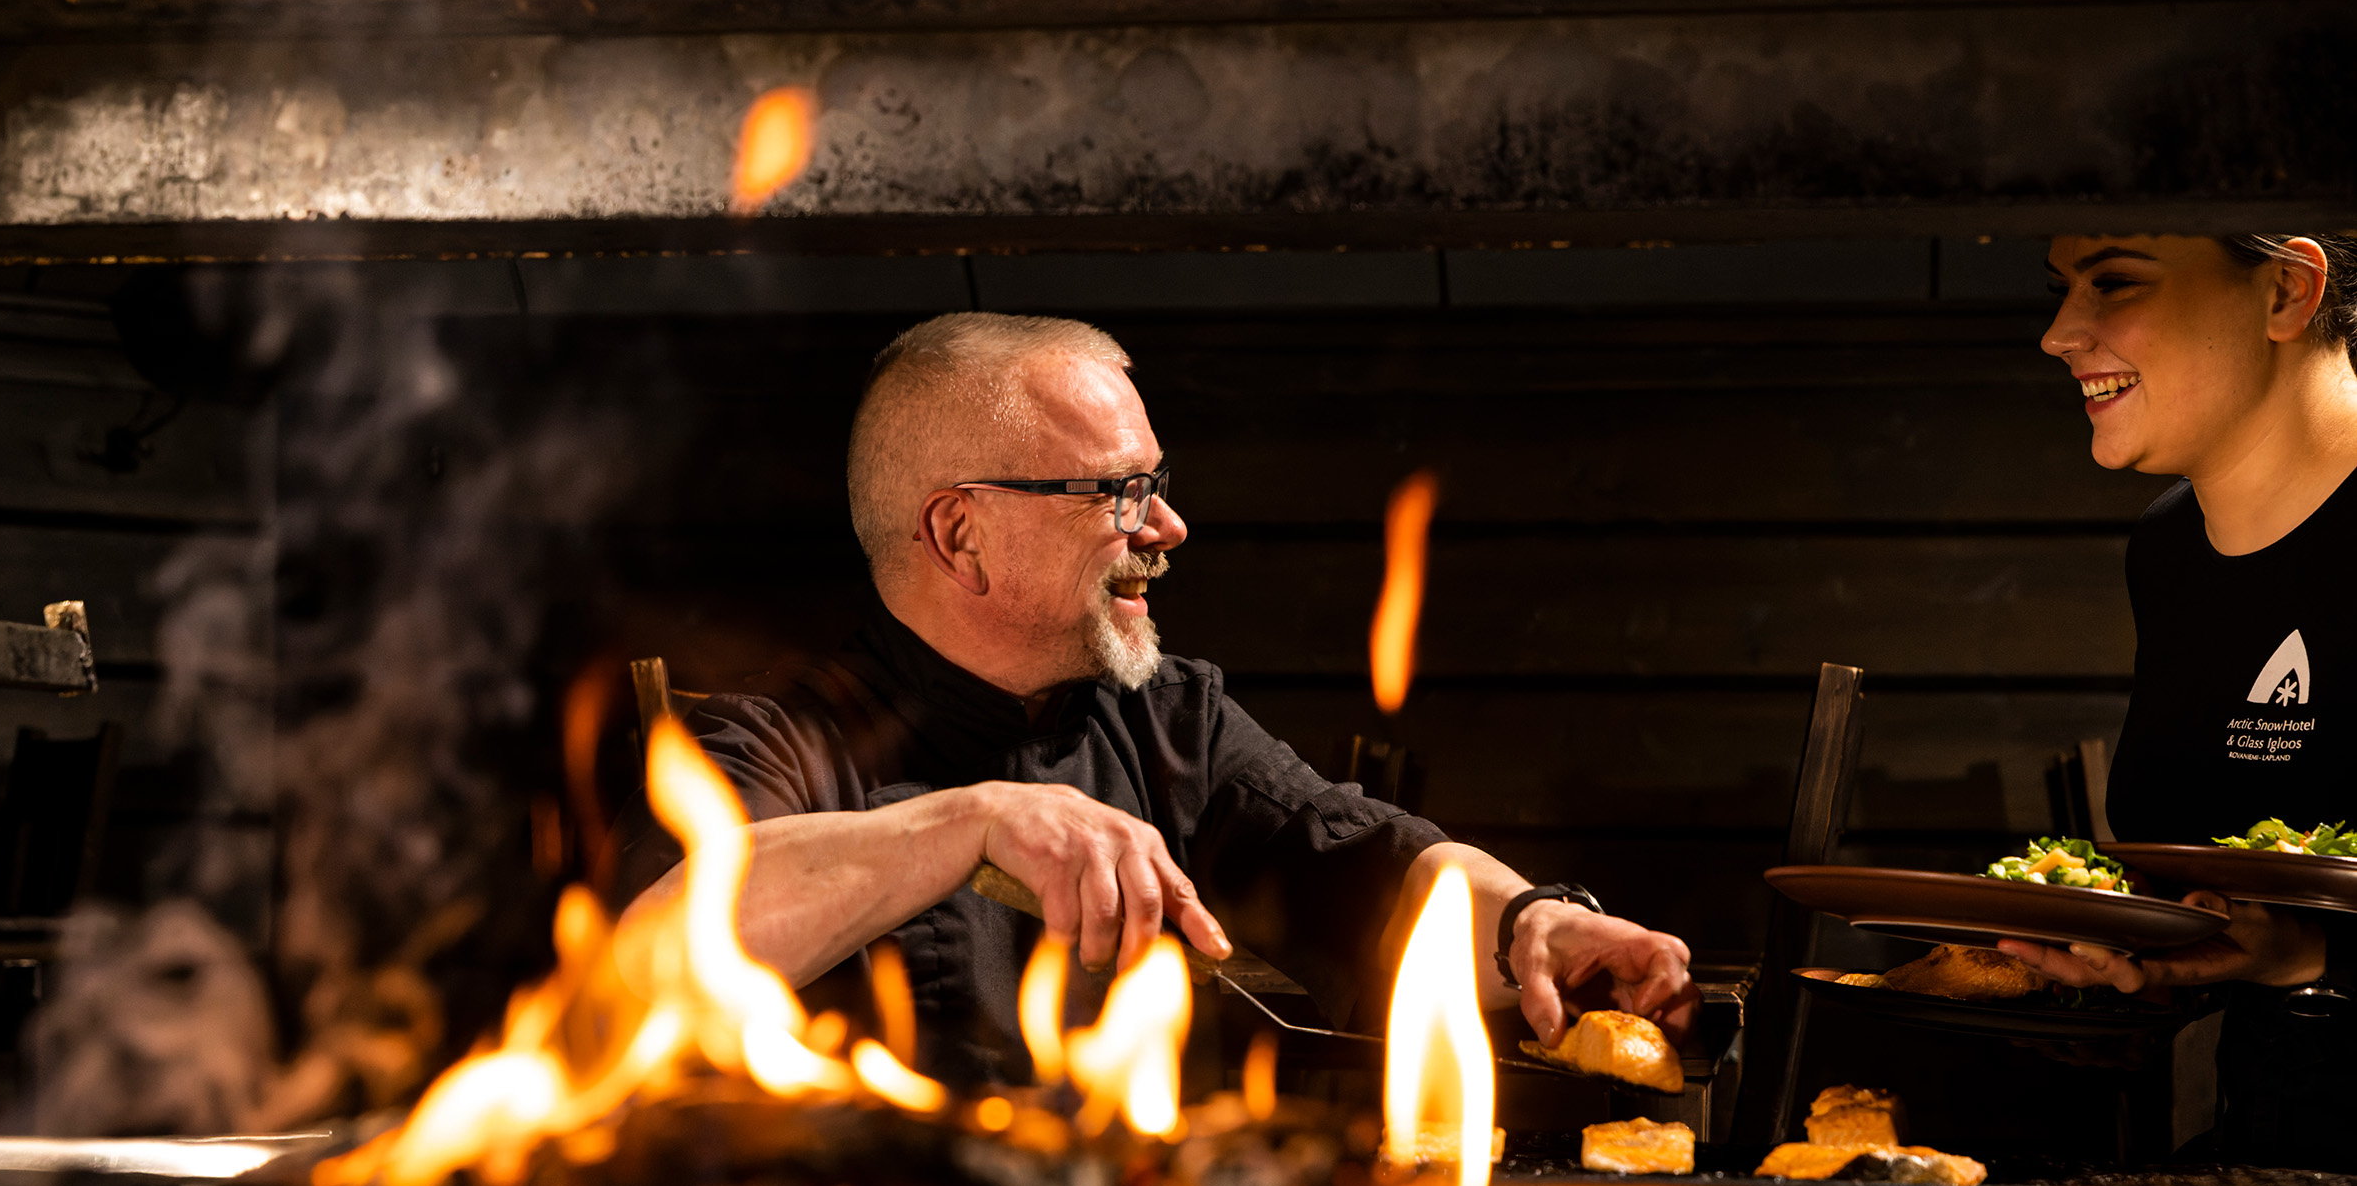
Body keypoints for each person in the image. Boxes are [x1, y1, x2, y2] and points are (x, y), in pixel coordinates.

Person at [624, 312, 1698, 1088]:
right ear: (959, 533)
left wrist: (1527, 920)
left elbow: (1358, 857)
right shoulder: (771, 737)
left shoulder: (1162, 715)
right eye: (1117, 491)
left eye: (1158, 482)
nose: (1167, 526)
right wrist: (971, 819)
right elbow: (653, 957)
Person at [2005, 233, 2357, 1160]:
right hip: (2276, 1179)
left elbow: (2296, 944)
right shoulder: (2166, 553)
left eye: (2114, 282)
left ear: (2286, 290)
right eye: (2063, 289)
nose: (2058, 333)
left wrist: (2314, 958)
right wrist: (2126, 970)